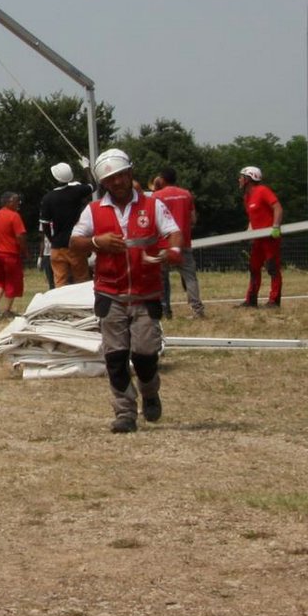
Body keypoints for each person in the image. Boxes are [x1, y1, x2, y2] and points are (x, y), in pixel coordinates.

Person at [69, 148, 183, 433]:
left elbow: (173, 230)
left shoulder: (152, 205)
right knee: (116, 358)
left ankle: (149, 391)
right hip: (110, 294)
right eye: (110, 179)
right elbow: (75, 243)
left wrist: (174, 249)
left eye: (121, 176)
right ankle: (125, 413)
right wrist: (98, 242)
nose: (117, 182)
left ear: (130, 174)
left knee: (145, 355)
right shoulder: (94, 211)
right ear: (103, 184)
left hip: (146, 294)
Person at [151, 167, 206, 318]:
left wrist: (156, 188)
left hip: (163, 244)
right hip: (184, 242)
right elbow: (193, 219)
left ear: (162, 179)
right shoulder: (186, 194)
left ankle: (165, 310)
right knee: (190, 277)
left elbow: (152, 221)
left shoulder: (156, 196)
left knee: (162, 278)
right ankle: (197, 310)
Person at [39, 162, 92, 287]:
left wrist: (52, 240)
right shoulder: (76, 191)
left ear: (55, 178)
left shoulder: (48, 198)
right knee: (81, 280)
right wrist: (86, 167)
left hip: (58, 246)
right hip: (75, 243)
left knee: (60, 282)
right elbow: (93, 185)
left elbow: (45, 224)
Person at [238, 166, 284, 308]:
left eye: (241, 177)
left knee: (272, 267)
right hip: (258, 239)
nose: (239, 180)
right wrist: (249, 232)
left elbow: (278, 208)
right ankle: (251, 300)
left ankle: (274, 301)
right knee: (253, 267)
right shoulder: (246, 197)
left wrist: (275, 227)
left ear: (248, 179)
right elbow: (253, 218)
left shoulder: (263, 191)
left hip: (270, 237)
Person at [0, 192, 28, 318]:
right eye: (15, 201)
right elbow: (20, 236)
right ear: (7, 202)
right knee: (12, 281)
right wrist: (24, 250)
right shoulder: (14, 216)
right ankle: (7, 310)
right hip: (10, 254)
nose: (18, 203)